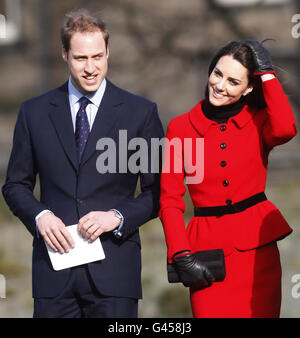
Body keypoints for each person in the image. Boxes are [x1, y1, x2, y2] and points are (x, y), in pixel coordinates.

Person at [2, 8, 164, 318]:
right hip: (54, 274)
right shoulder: (33, 113)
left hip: (115, 274)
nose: (90, 68)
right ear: (64, 54)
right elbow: (15, 186)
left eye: (97, 57)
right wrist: (41, 217)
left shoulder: (140, 113)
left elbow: (158, 192)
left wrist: (116, 217)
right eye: (80, 58)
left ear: (108, 52)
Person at [159, 40, 297, 318]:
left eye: (233, 81)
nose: (220, 85)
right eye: (218, 74)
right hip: (207, 259)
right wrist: (180, 252)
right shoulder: (181, 128)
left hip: (258, 256)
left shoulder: (259, 122)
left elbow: (286, 129)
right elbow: (170, 198)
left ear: (248, 88)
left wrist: (267, 74)